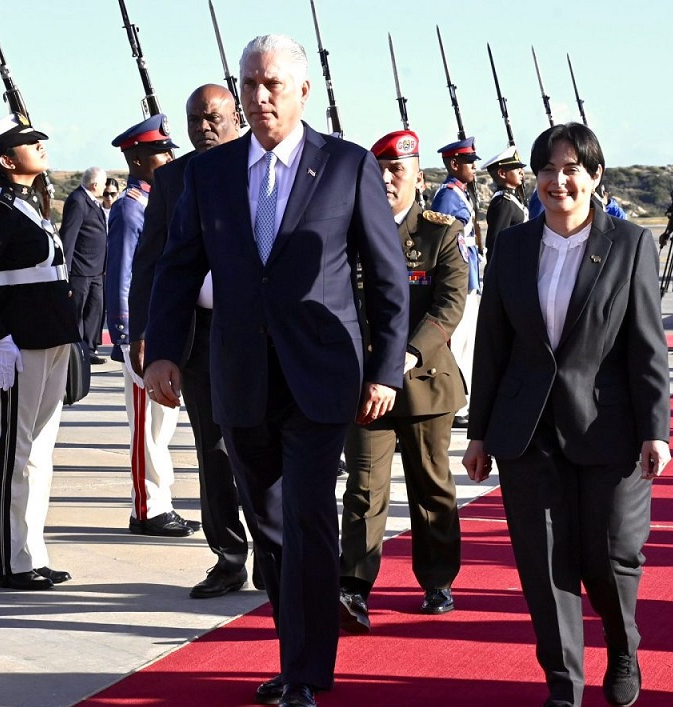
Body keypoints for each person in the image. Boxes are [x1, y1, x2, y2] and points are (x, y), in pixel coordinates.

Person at [143, 35, 409, 707]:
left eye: (273, 84)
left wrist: (385, 370)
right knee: (269, 526)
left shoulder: (346, 165)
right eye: (250, 84)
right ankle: (298, 656)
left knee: (309, 518)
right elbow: (178, 266)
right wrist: (164, 350)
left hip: (321, 375)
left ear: (303, 92)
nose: (260, 97)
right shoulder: (210, 172)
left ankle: (304, 671)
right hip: (238, 375)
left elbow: (386, 278)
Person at [462, 123, 671, 707]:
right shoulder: (513, 246)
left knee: (610, 556)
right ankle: (563, 687)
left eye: (572, 169)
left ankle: (622, 647)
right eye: (548, 169)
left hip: (611, 429)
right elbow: (492, 346)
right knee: (544, 564)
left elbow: (647, 346)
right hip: (527, 432)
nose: (559, 181)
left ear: (595, 176)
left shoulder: (630, 244)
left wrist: (656, 430)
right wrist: (479, 433)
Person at [339, 129, 467, 634]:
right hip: (364, 386)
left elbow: (448, 307)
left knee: (431, 486)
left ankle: (437, 579)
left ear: (419, 178)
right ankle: (354, 586)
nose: (388, 179)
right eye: (380, 170)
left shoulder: (440, 233)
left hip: (423, 383)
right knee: (364, 488)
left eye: (398, 170)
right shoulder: (348, 234)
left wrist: (402, 358)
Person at [128, 83, 254, 597]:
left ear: (236, 117)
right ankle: (228, 556)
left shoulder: (262, 166)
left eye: (213, 118)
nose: (203, 127)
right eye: (194, 120)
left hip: (260, 333)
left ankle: (276, 555)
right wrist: (146, 334)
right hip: (201, 336)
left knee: (264, 449)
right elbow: (151, 262)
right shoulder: (173, 178)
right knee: (213, 448)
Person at [0, 113, 79, 591]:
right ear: (7, 161)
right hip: (19, 345)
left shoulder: (29, 204)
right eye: (29, 143)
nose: (40, 146)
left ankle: (31, 553)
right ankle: (8, 562)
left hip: (49, 339)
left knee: (38, 455)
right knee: (10, 454)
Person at [106, 113, 200, 538]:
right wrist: (132, 335)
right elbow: (124, 276)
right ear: (138, 160)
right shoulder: (131, 207)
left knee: (161, 425)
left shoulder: (158, 199)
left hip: (161, 329)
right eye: (162, 152)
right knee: (147, 426)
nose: (170, 158)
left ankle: (160, 502)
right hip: (142, 334)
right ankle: (147, 509)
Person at [431, 137, 482, 429]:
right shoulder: (448, 196)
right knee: (458, 342)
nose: (473, 167)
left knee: (467, 341)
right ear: (454, 164)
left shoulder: (459, 193)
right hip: (458, 276)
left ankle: (464, 401)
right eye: (468, 162)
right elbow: (443, 239)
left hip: (469, 274)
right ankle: (457, 404)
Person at [59, 166, 108, 365]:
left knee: (95, 310)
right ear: (95, 184)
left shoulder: (93, 201)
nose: (105, 188)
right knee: (77, 312)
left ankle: (89, 349)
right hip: (80, 270)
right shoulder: (78, 201)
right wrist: (65, 272)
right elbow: (68, 238)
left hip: (96, 269)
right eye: (103, 184)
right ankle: (76, 352)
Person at [480, 145, 528, 256]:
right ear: (502, 173)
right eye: (517, 169)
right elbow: (496, 243)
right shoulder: (503, 202)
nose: (522, 173)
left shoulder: (512, 198)